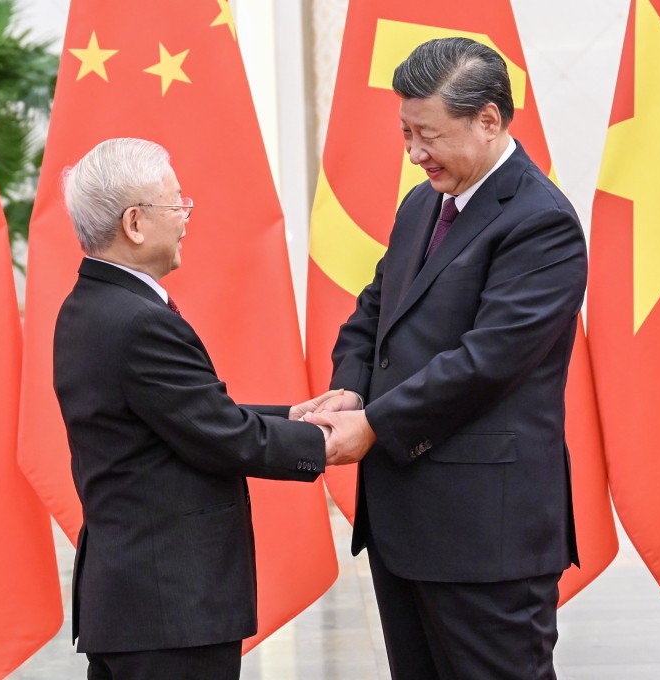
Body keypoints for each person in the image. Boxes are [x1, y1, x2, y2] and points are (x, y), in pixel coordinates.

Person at [298, 38, 587, 679]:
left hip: (487, 533)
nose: (414, 153)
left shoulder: (542, 223)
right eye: (405, 134)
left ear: (488, 119)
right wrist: (349, 387)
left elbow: (487, 360)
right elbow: (375, 309)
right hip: (406, 523)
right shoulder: (422, 205)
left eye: (428, 135)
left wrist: (374, 424)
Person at [52, 137, 329, 680]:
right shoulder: (139, 322)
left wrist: (292, 417)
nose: (185, 218)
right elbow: (221, 434)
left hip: (135, 603)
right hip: (168, 611)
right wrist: (333, 440)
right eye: (178, 204)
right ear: (135, 222)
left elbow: (181, 414)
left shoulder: (87, 307)